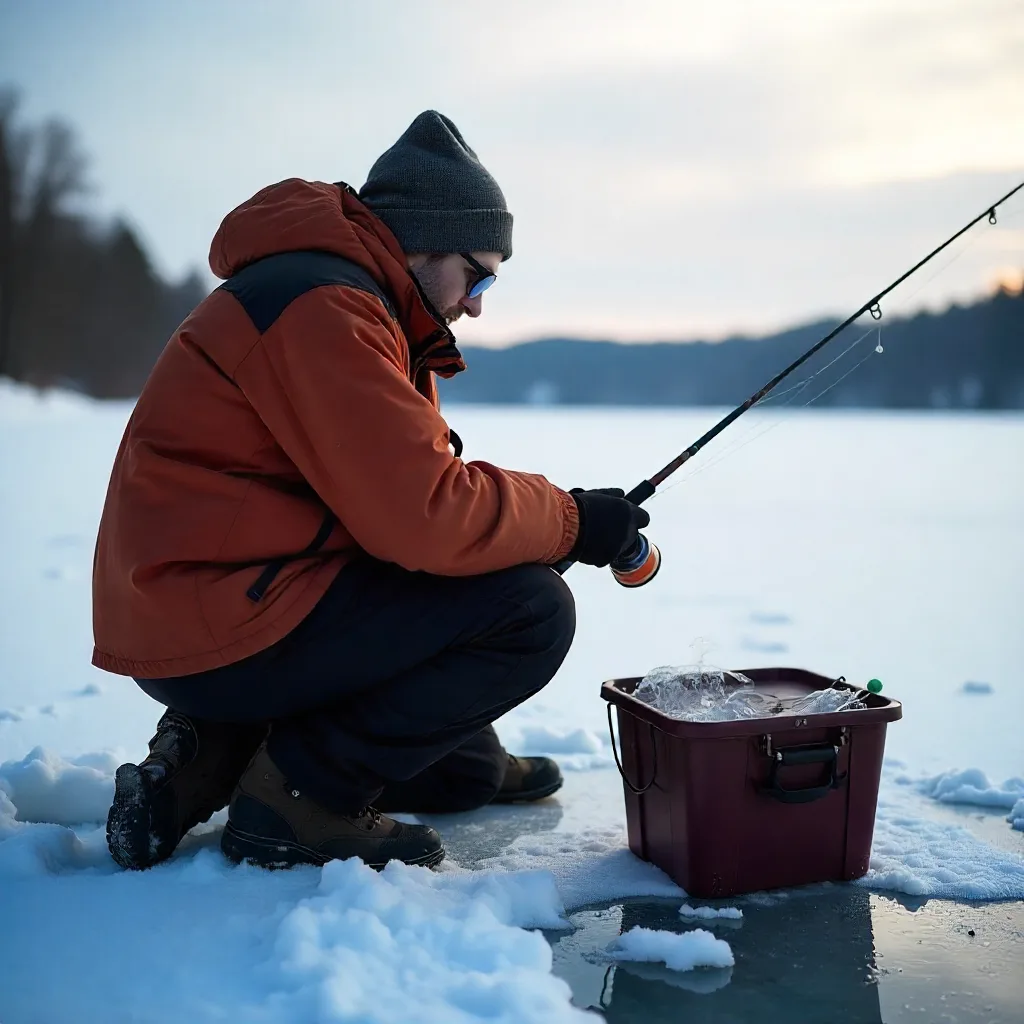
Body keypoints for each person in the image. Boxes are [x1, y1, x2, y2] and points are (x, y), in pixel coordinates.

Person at [95, 111, 650, 872]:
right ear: (423, 241)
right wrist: (572, 521)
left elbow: (399, 506)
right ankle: (296, 800)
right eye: (480, 273)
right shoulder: (327, 307)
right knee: (530, 610)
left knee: (462, 774)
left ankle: (209, 756)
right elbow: (424, 516)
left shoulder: (341, 298)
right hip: (224, 619)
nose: (481, 302)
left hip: (212, 607)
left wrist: (543, 527)